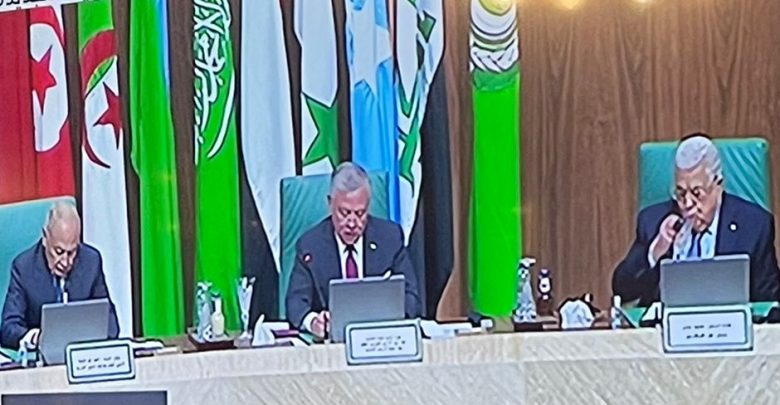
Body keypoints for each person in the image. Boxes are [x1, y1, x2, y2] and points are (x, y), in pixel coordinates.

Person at [613, 134, 780, 306]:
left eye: (697, 193)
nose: (687, 204)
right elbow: (622, 289)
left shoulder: (754, 226)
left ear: (718, 185)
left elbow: (770, 302)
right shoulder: (653, 221)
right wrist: (655, 251)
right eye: (680, 193)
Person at [285, 162, 422, 338]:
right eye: (344, 213)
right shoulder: (310, 246)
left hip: (380, 338)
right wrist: (313, 322)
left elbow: (412, 298)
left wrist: (389, 316)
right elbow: (295, 303)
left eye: (359, 214)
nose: (351, 223)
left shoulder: (390, 238)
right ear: (330, 203)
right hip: (332, 342)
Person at [0, 202, 119, 349]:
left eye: (72, 252)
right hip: (41, 356)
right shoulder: (23, 267)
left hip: (82, 352)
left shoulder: (91, 261)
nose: (65, 262)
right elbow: (8, 329)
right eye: (59, 251)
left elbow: (111, 324)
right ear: (45, 237)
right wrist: (35, 337)